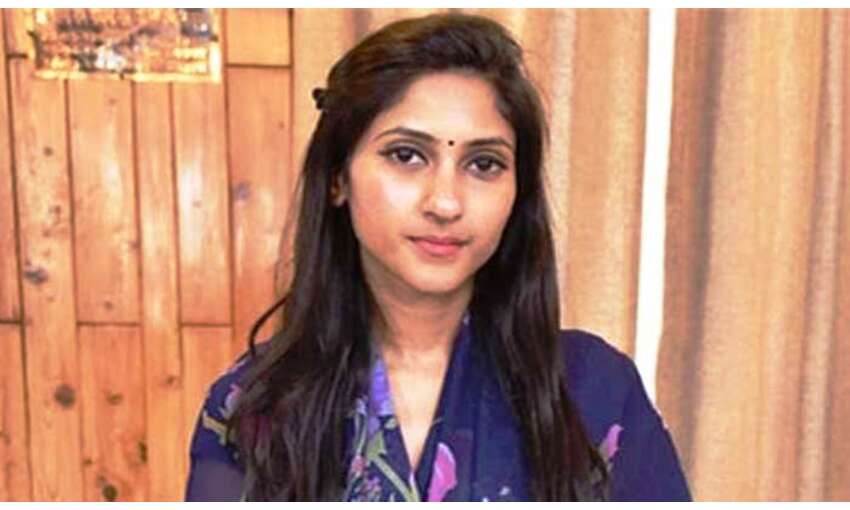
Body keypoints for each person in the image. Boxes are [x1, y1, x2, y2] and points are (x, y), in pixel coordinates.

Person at [184, 12, 691, 502]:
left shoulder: (592, 392)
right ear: (338, 177)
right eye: (406, 155)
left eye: (484, 164)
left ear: (517, 192)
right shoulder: (250, 406)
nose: (445, 202)